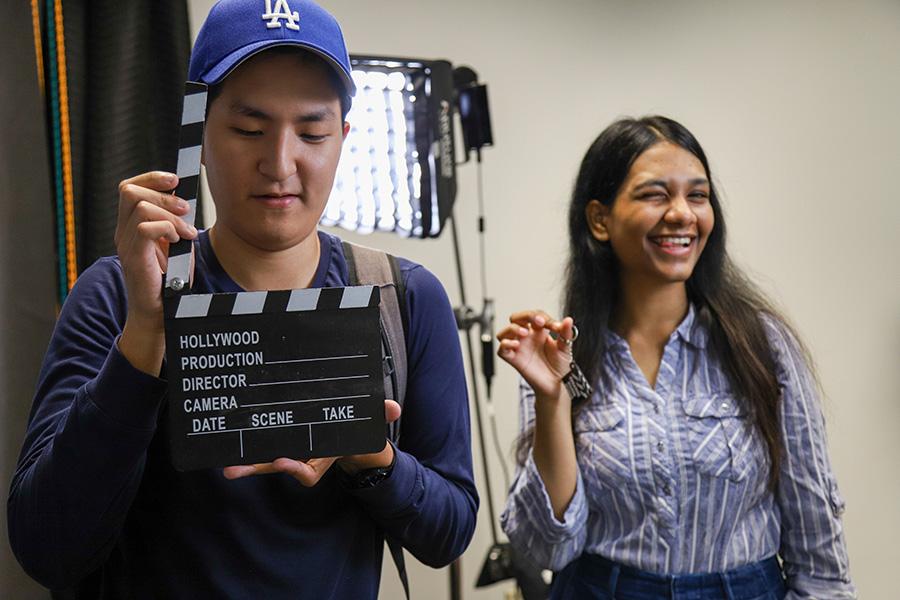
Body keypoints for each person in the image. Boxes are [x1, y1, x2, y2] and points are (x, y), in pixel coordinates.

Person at [8, 1, 477, 597]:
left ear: (344, 139)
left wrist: (374, 460)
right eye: (249, 130)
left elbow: (450, 530)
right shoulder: (114, 293)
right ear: (198, 134)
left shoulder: (401, 298)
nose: (280, 164)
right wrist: (147, 336)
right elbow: (45, 545)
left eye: (312, 133)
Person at [497, 116, 855, 599]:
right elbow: (547, 549)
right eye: (654, 195)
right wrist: (551, 399)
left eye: (698, 195)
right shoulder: (560, 354)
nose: (682, 213)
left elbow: (820, 558)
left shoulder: (762, 347)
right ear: (600, 220)